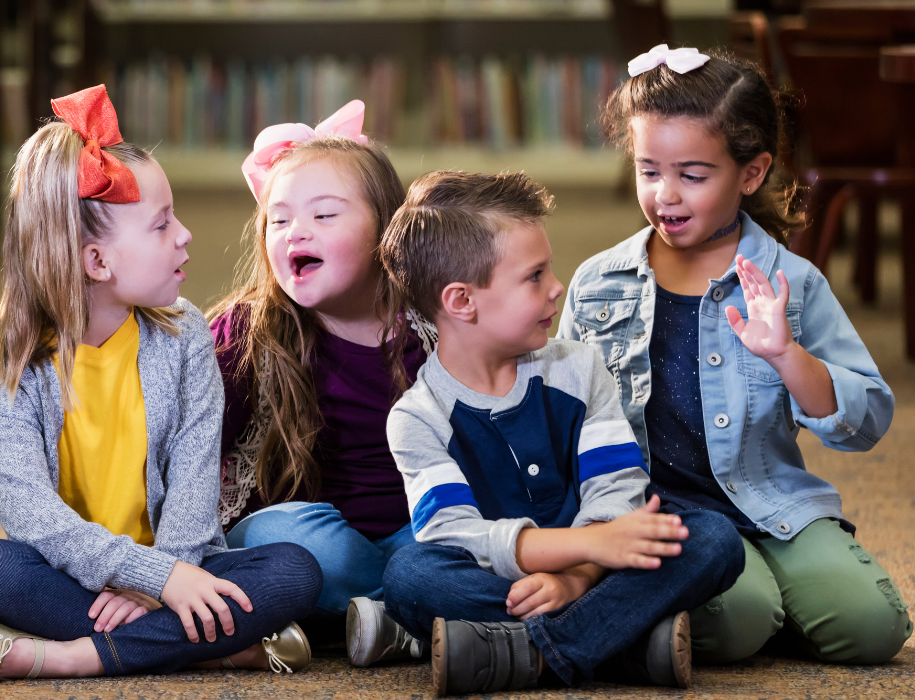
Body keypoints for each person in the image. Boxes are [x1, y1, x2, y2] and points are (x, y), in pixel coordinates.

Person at [0, 86, 321, 684]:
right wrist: (160, 585)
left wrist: (164, 577)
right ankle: (209, 647)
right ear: (96, 262)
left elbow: (195, 488)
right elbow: (35, 522)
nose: (185, 235)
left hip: (183, 562)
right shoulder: (7, 369)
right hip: (78, 575)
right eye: (161, 226)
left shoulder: (187, 336)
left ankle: (77, 656)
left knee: (295, 571)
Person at [559, 45, 911, 665]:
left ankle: (689, 609)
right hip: (661, 516)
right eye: (648, 171)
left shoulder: (792, 282)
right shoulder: (597, 282)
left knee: (873, 629)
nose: (665, 195)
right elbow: (562, 415)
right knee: (740, 622)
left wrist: (787, 356)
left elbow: (868, 419)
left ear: (751, 173)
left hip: (769, 501)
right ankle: (724, 603)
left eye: (693, 176)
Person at [378, 169, 745, 695]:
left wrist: (578, 577)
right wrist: (584, 548)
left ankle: (528, 654)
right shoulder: (416, 418)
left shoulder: (579, 367)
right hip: (503, 578)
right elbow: (455, 534)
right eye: (534, 276)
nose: (558, 288)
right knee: (410, 578)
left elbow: (616, 490)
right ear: (462, 301)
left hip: (598, 565)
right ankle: (620, 644)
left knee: (712, 539)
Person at [209, 100, 432, 666]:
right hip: (307, 542)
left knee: (451, 543)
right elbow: (188, 454)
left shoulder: (435, 329)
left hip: (416, 533)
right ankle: (421, 610)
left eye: (325, 216)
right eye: (278, 220)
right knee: (301, 543)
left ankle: (391, 611)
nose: (295, 232)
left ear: (387, 229)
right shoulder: (245, 333)